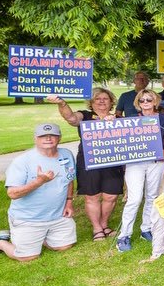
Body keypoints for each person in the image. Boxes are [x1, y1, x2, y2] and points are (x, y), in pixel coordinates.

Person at [0, 124, 76, 261]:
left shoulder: (66, 154)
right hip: (28, 218)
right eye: (43, 135)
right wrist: (39, 181)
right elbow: (12, 193)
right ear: (35, 138)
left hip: (57, 216)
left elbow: (69, 179)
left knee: (64, 246)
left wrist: (69, 201)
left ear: (60, 137)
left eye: (53, 135)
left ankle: (38, 238)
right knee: (28, 257)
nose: (48, 138)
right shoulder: (22, 161)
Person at [48, 89, 124, 241]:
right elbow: (71, 118)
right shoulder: (85, 116)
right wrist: (62, 103)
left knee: (111, 195)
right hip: (89, 160)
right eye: (97, 99)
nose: (102, 101)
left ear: (111, 102)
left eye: (105, 99)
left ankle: (104, 224)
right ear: (92, 102)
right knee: (92, 196)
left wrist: (116, 124)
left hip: (113, 161)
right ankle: (97, 228)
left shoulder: (119, 118)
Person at [115, 89, 164, 252]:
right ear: (138, 103)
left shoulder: (162, 118)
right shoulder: (132, 120)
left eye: (149, 99)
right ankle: (124, 235)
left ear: (155, 101)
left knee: (152, 196)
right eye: (142, 100)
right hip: (136, 163)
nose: (146, 103)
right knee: (134, 198)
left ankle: (146, 228)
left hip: (157, 161)